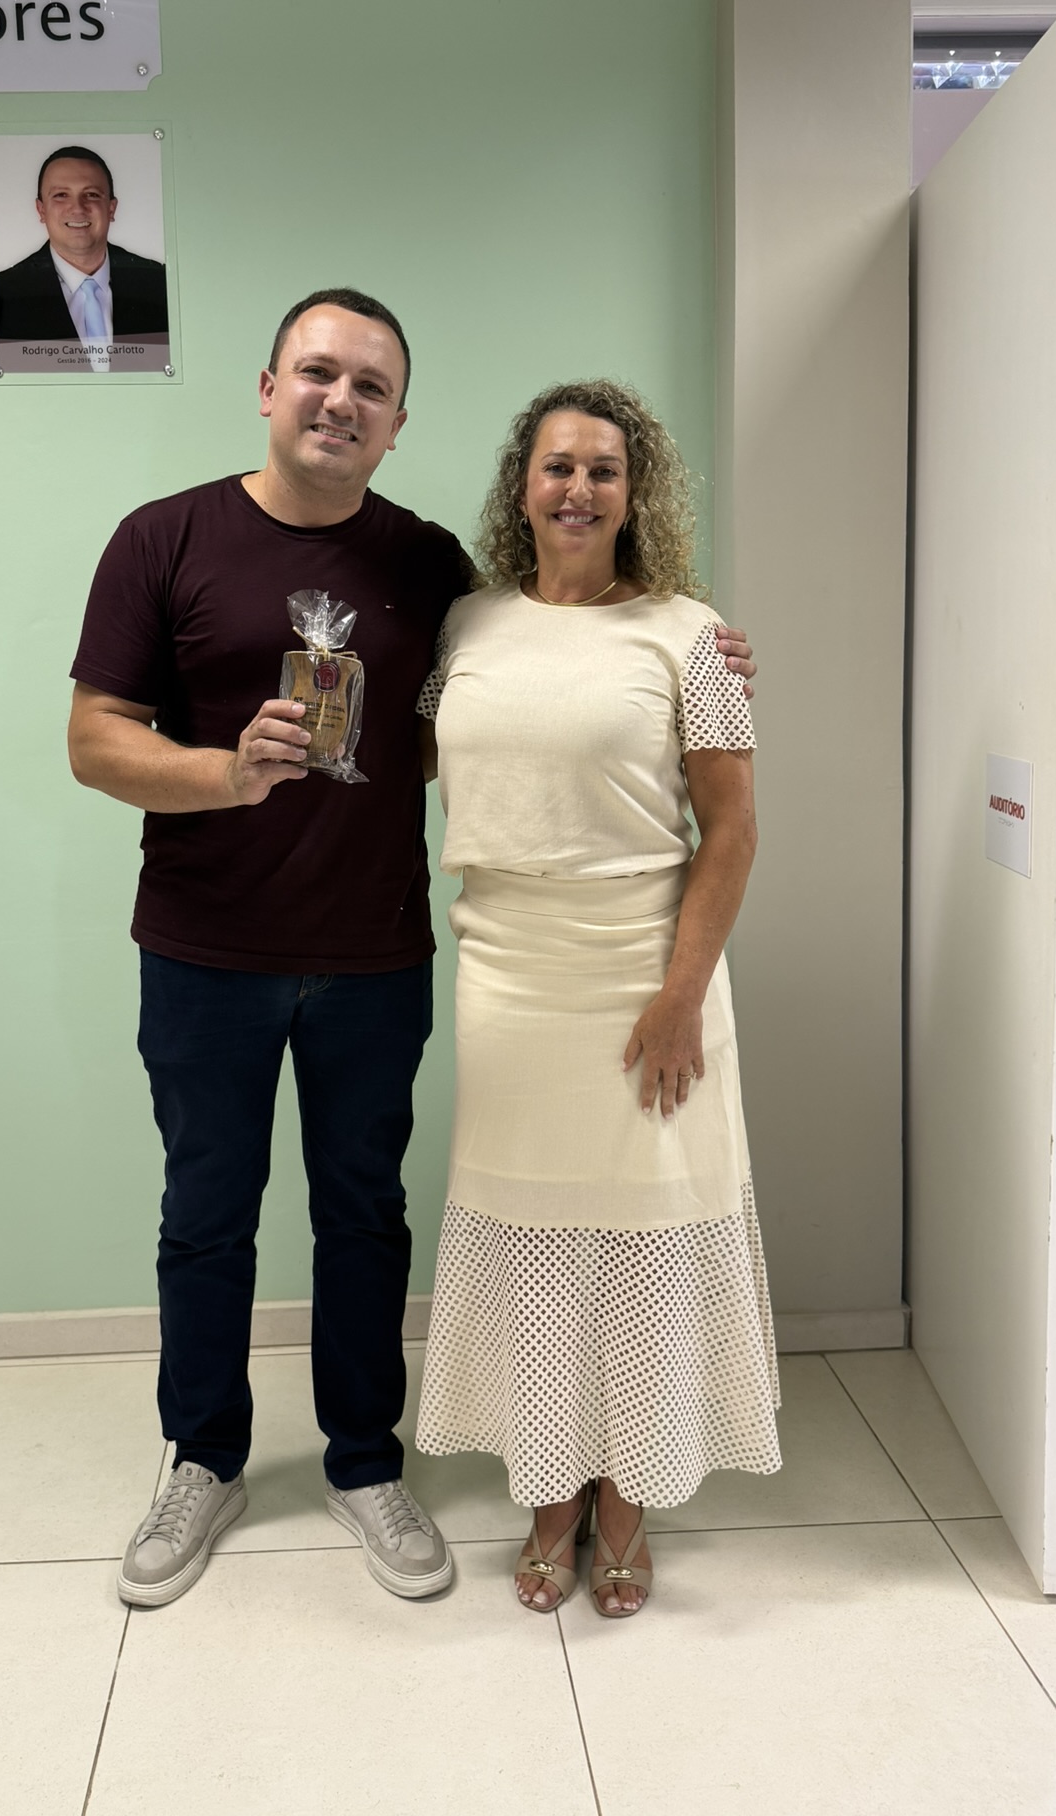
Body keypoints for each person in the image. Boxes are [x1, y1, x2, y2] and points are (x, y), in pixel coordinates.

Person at [66, 290, 758, 1609]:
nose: (340, 400)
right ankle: (202, 1461)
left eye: (370, 387)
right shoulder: (165, 538)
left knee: (363, 1217)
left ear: (396, 424)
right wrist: (224, 773)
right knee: (205, 1218)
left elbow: (520, 702)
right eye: (317, 373)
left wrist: (704, 655)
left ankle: (365, 1462)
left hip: (376, 958)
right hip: (205, 949)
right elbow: (94, 739)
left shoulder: (431, 570)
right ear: (268, 386)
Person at [414, 379, 781, 1617]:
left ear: (635, 493)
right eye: (558, 465)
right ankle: (550, 1486)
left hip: (645, 974)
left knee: (641, 1240)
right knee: (537, 1243)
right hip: (507, 973)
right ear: (522, 485)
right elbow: (419, 755)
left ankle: (627, 1497)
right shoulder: (465, 623)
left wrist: (681, 994)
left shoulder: (691, 634)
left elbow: (732, 829)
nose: (578, 487)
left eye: (604, 469)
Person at [0, 146, 168, 369]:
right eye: (61, 195)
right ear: (41, 210)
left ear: (111, 209)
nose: (77, 208)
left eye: (91, 194)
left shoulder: (163, 286)